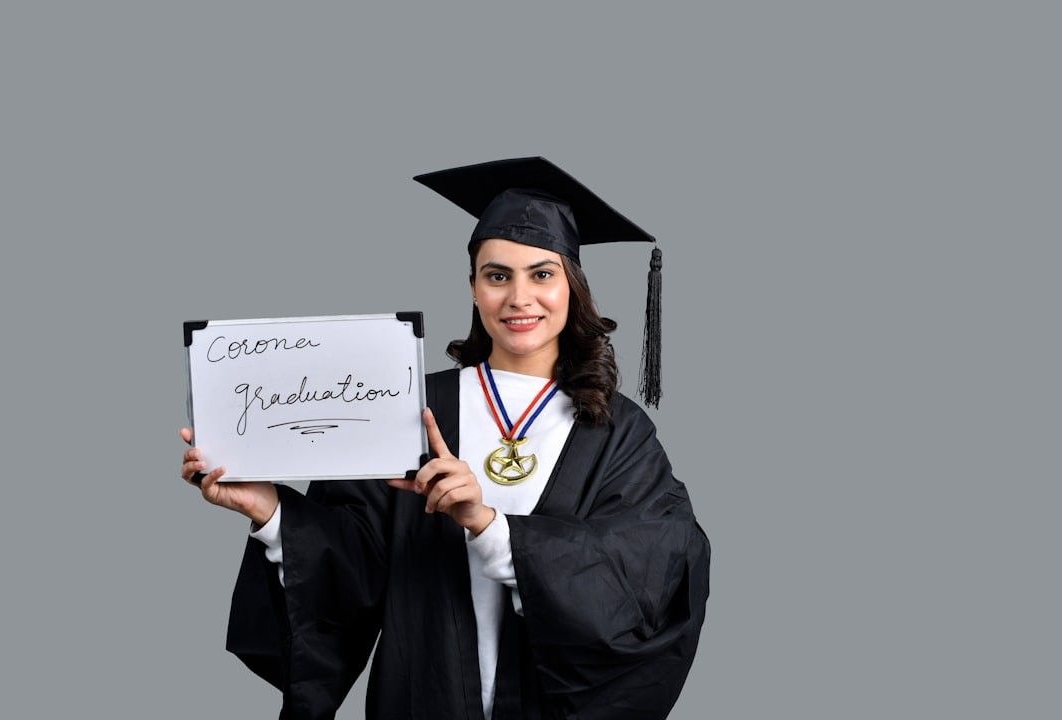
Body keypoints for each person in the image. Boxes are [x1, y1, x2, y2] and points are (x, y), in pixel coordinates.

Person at [180, 157, 711, 719]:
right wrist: (270, 511)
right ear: (474, 288)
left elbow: (649, 569)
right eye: (497, 276)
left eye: (542, 275)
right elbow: (351, 565)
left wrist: (489, 526)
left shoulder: (617, 430)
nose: (519, 297)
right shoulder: (409, 405)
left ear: (573, 288)